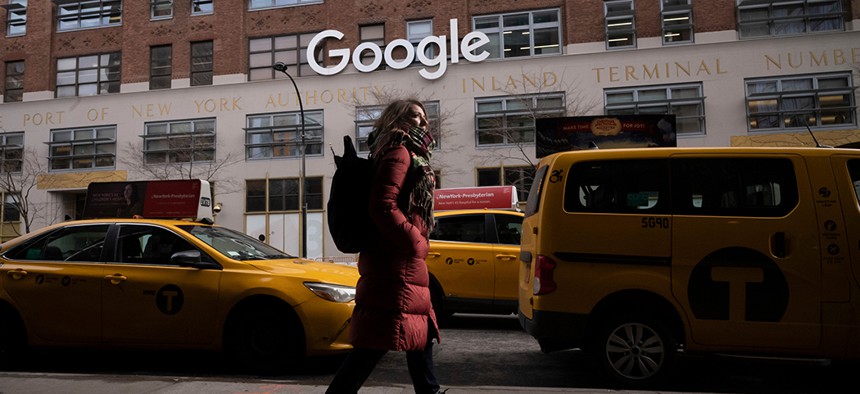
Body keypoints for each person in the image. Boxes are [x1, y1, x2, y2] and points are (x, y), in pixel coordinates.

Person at [327, 99, 443, 394]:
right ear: (399, 118)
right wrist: (415, 242)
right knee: (374, 343)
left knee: (420, 333)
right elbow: (382, 205)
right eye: (416, 116)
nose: (423, 122)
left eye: (425, 118)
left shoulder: (402, 151)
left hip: (400, 260)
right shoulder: (399, 151)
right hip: (395, 261)